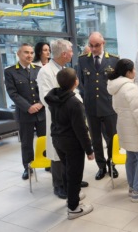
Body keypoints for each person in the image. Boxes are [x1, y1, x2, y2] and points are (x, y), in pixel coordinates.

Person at [37, 39, 89, 199]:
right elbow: (46, 98)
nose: (73, 54)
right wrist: (69, 104)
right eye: (71, 51)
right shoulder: (45, 72)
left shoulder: (63, 68)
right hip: (58, 119)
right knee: (57, 154)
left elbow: (73, 92)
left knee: (71, 153)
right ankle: (59, 184)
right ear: (64, 54)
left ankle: (72, 180)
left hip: (71, 116)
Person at [44, 68, 95, 220]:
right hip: (72, 143)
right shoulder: (74, 103)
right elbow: (81, 130)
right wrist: (89, 150)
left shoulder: (53, 97)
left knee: (66, 170)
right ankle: (74, 208)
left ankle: (70, 197)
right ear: (75, 82)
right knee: (75, 174)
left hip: (58, 140)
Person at [107, 58, 138, 202]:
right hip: (135, 128)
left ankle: (133, 186)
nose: (135, 72)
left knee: (132, 157)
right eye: (133, 70)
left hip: (123, 125)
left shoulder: (115, 86)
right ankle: (137, 191)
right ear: (128, 72)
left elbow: (116, 108)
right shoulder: (130, 87)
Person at [77, 31, 119, 180]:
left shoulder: (114, 60)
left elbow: (117, 83)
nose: (94, 49)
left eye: (97, 45)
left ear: (103, 44)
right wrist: (85, 99)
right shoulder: (82, 61)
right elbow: (80, 83)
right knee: (95, 139)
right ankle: (101, 166)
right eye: (91, 45)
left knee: (111, 138)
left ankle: (112, 163)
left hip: (109, 106)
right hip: (91, 107)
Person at [4, 43, 46, 180]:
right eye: (26, 52)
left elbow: (44, 89)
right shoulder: (10, 71)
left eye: (31, 53)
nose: (29, 55)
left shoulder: (39, 69)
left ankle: (47, 163)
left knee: (44, 139)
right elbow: (13, 93)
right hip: (25, 113)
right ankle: (28, 167)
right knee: (26, 142)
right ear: (18, 54)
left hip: (41, 111)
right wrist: (28, 106)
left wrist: (40, 103)